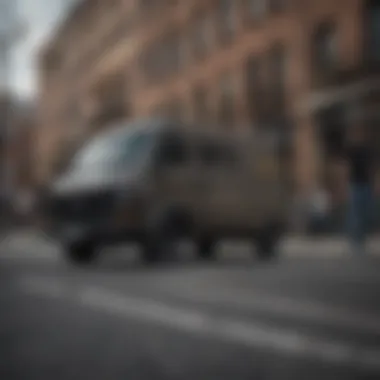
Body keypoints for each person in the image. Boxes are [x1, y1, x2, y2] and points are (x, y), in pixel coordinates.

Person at [343, 126, 374, 255]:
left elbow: (372, 167)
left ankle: (361, 238)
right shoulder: (352, 150)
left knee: (364, 212)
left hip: (366, 183)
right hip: (355, 184)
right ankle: (355, 240)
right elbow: (345, 166)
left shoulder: (367, 150)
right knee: (355, 213)